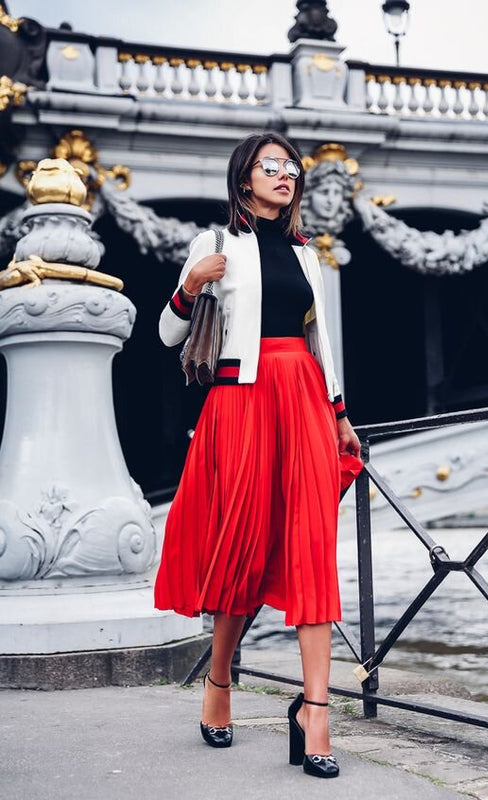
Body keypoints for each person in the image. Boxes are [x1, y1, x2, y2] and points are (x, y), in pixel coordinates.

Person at [154, 131, 361, 779]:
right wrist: (190, 286)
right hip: (240, 401)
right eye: (270, 165)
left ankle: (316, 712)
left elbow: (320, 342)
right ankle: (219, 682)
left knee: (310, 547)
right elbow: (167, 333)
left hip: (303, 397)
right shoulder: (214, 244)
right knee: (239, 547)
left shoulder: (306, 254)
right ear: (244, 177)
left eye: (290, 166)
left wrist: (340, 413)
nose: (284, 173)